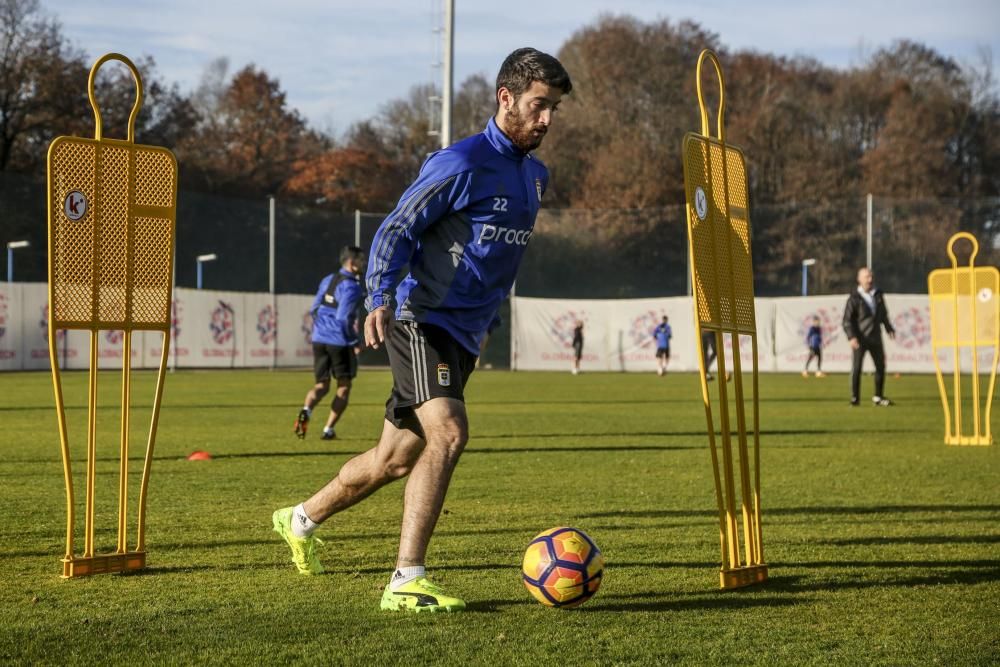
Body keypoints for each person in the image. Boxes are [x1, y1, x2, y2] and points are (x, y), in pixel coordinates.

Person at [272, 47, 572, 613]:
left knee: (394, 461)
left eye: (554, 108)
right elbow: (396, 229)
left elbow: (496, 259)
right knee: (450, 434)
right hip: (421, 320)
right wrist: (381, 295)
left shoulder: (536, 176)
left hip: (462, 337)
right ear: (506, 98)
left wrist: (491, 319)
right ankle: (405, 578)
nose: (547, 119)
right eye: (539, 105)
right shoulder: (460, 163)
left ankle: (300, 518)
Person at [293, 246, 366, 440]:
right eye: (361, 261)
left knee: (321, 385)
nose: (363, 264)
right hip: (340, 342)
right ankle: (328, 430)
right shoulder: (352, 287)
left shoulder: (328, 279)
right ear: (352, 263)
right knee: (343, 386)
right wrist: (355, 341)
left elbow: (314, 309)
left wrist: (323, 328)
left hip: (319, 339)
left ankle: (306, 410)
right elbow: (343, 318)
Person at [842, 267, 895, 406]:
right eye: (866, 277)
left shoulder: (878, 295)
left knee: (880, 367)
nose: (869, 280)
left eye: (871, 277)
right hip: (860, 338)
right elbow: (847, 320)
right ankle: (855, 398)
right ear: (859, 279)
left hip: (875, 337)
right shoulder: (854, 298)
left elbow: (883, 314)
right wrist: (851, 337)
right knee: (857, 368)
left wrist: (889, 328)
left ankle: (878, 397)